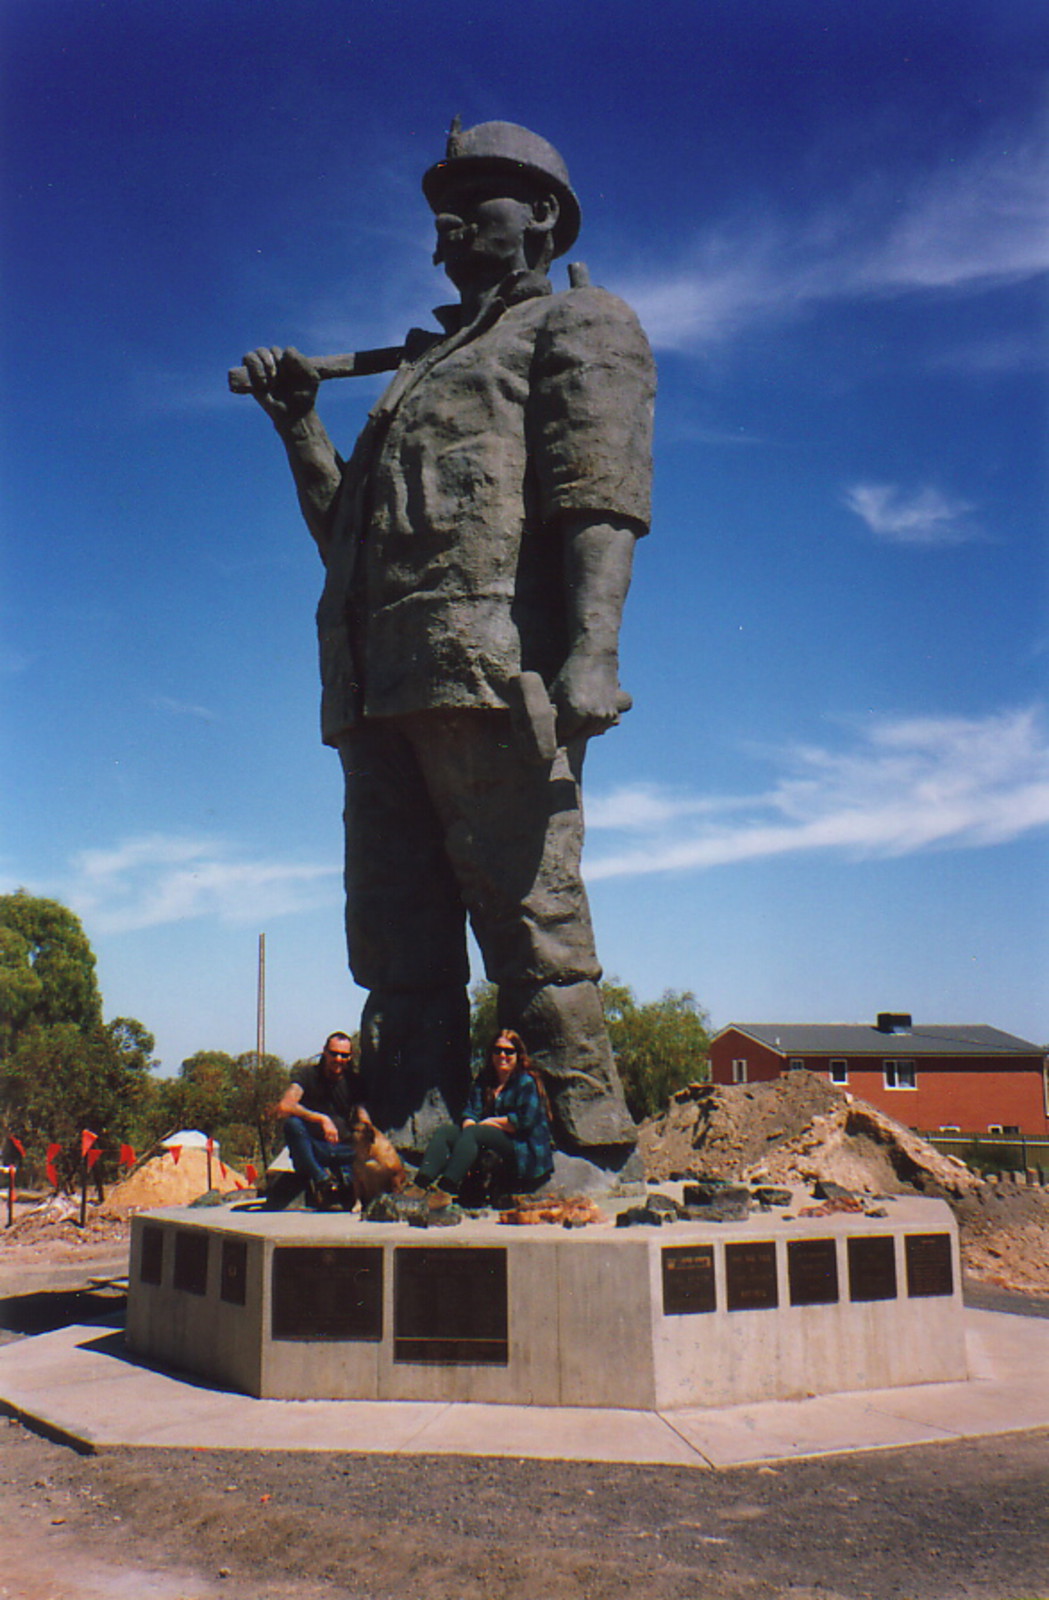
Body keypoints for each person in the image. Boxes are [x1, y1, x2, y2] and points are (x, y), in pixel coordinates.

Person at [240, 118, 655, 1165]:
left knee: (528, 920)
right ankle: (414, 1137)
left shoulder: (578, 325)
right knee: (395, 935)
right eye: (442, 204)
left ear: (543, 217)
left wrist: (593, 651)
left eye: (478, 197)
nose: (451, 221)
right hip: (376, 680)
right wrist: (299, 427)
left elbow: (596, 497)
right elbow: (344, 539)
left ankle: (583, 1139)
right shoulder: (413, 376)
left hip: (487, 672)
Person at [409, 1030, 554, 1207]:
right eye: (497, 1050)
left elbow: (523, 1123)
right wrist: (469, 1125)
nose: (502, 1055)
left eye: (509, 1051)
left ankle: (445, 1190)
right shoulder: (485, 1080)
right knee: (446, 1132)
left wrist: (490, 1122)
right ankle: (420, 1185)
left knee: (476, 1132)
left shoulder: (525, 1082)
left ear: (518, 1054)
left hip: (522, 1146)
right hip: (489, 1135)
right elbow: (471, 1111)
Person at [277, 1032, 364, 1206]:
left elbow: (363, 1114)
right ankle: (322, 1180)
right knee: (292, 1124)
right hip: (313, 1150)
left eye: (344, 1055)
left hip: (342, 1149)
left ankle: (344, 1183)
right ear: (324, 1051)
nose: (338, 1059)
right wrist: (321, 1119)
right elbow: (285, 1106)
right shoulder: (308, 1075)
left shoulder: (354, 1082)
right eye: (334, 1053)